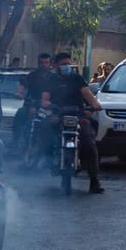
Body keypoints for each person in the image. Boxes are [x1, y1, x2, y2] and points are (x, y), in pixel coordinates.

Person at [39, 51, 105, 193]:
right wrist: (47, 105)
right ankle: (46, 160)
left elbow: (89, 96)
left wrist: (94, 106)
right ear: (56, 65)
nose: (67, 66)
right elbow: (45, 98)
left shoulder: (77, 79)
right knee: (45, 129)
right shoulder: (51, 80)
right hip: (58, 116)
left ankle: (94, 180)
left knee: (89, 142)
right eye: (63, 64)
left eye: (69, 64)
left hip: (78, 116)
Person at [14, 52, 53, 154]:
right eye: (41, 62)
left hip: (48, 107)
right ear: (38, 63)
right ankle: (16, 143)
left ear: (50, 63)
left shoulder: (54, 77)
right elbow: (22, 87)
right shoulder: (32, 75)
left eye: (46, 62)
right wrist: (19, 93)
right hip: (31, 104)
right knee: (20, 113)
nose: (44, 64)